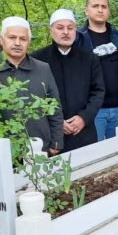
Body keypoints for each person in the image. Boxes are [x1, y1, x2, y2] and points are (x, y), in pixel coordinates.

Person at [0, 17, 63, 155]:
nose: (17, 43)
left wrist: (56, 142)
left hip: (39, 146)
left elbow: (55, 106)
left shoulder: (43, 68)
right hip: (1, 148)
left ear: (28, 42)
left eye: (23, 39)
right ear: (1, 39)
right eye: (12, 37)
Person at [32, 9, 106, 153]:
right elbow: (34, 97)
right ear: (51, 30)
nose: (65, 32)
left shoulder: (89, 59)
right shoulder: (37, 59)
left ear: (75, 31)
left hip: (84, 132)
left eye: (70, 28)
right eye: (60, 28)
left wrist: (83, 118)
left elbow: (98, 92)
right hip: (52, 136)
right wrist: (57, 122)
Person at [74, 0, 118, 140]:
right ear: (86, 10)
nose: (100, 10)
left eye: (104, 6)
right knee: (96, 155)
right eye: (95, 6)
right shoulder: (78, 39)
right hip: (93, 111)